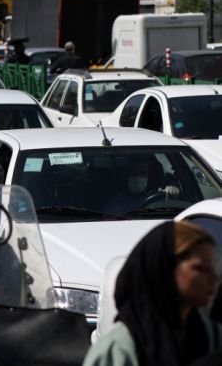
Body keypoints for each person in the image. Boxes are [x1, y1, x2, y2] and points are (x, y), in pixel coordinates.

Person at [83, 220, 222, 366]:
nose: (214, 278)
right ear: (165, 270)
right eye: (201, 268)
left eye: (213, 268)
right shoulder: (118, 349)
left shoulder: (213, 336)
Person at [104, 157, 179, 215]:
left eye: (143, 173)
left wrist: (172, 196)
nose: (138, 177)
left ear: (148, 175)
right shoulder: (115, 202)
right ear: (127, 175)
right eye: (134, 173)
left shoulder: (158, 196)